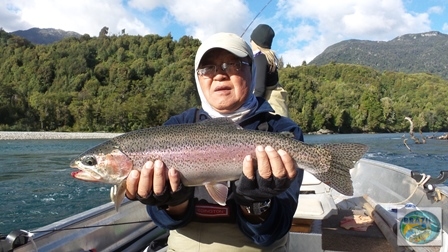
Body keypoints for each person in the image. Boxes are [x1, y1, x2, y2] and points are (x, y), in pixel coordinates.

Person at [125, 32, 304, 251]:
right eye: (208, 68)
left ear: (252, 71)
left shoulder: (282, 131)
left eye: (233, 64)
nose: (219, 75)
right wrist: (173, 202)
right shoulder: (175, 127)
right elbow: (165, 222)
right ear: (198, 78)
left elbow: (276, 229)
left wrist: (255, 202)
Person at [250, 24, 289, 117]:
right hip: (279, 107)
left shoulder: (260, 58)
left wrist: (249, 109)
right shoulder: (270, 59)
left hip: (271, 109)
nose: (250, 42)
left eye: (251, 39)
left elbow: (259, 90)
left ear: (256, 42)